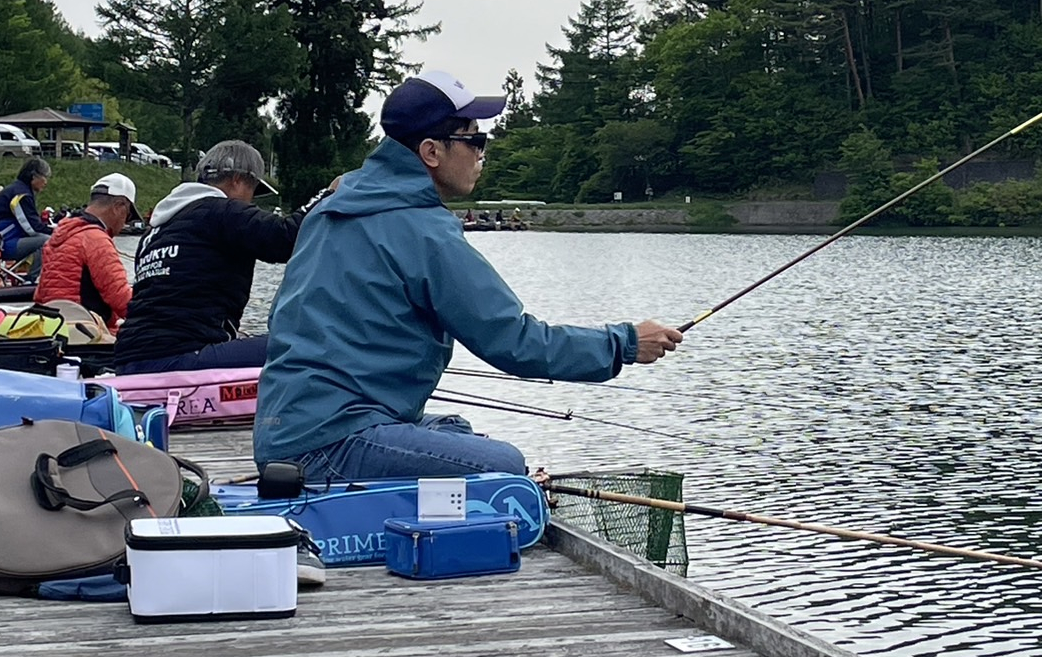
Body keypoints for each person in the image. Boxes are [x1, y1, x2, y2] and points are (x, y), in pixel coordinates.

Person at [254, 69, 684, 482]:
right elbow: (513, 342)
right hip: (329, 444)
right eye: (475, 140)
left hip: (283, 433)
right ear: (431, 152)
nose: (482, 153)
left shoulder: (331, 209)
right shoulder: (421, 229)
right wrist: (624, 344)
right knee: (504, 465)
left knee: (452, 428)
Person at [112, 140, 311, 374]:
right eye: (253, 190)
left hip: (128, 361)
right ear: (237, 179)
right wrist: (329, 195)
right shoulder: (221, 211)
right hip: (183, 357)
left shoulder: (155, 231)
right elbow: (285, 238)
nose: (250, 202)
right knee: (303, 344)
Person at [34, 173, 140, 333]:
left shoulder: (59, 235)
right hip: (88, 332)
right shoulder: (95, 239)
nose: (125, 223)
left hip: (55, 328)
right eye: (128, 216)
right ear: (119, 206)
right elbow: (122, 300)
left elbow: (40, 295)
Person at [0, 158, 54, 280]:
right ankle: (33, 279)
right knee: (48, 240)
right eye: (44, 177)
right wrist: (59, 231)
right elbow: (32, 228)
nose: (46, 182)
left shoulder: (17, 189)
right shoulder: (21, 195)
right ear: (33, 176)